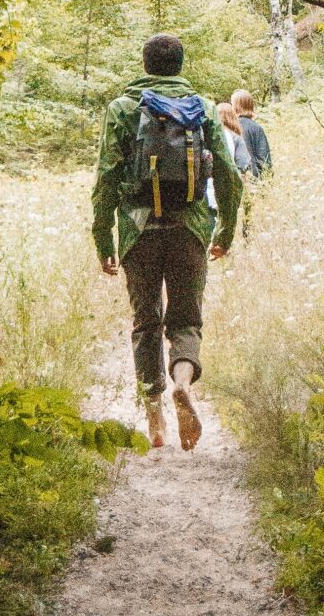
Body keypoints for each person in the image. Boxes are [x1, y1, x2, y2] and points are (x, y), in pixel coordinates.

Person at [92, 33, 243, 452]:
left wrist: (103, 238)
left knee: (146, 323)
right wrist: (225, 230)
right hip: (190, 228)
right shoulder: (204, 109)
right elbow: (229, 174)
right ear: (180, 65)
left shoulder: (122, 109)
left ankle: (154, 418)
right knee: (185, 320)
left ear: (146, 65)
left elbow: (106, 179)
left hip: (138, 231)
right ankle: (181, 382)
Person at [232, 88, 273, 181]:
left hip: (236, 179)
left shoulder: (230, 128)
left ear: (236, 106)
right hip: (254, 178)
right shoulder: (256, 128)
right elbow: (265, 159)